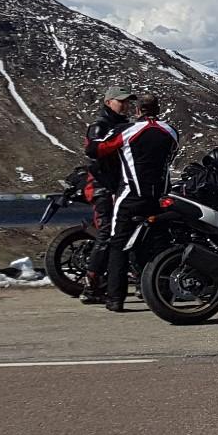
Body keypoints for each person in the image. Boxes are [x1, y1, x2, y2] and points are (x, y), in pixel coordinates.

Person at [99, 94, 177, 312]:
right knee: (159, 245)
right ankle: (163, 293)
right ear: (158, 109)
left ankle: (115, 298)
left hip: (130, 195)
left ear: (137, 110)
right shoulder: (170, 131)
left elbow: (97, 150)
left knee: (118, 244)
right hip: (159, 197)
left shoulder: (127, 130)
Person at [79, 84, 133, 303]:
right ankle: (90, 287)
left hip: (118, 187)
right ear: (108, 102)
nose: (125, 105)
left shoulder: (121, 125)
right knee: (107, 235)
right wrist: (110, 188)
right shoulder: (100, 126)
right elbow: (94, 154)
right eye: (121, 101)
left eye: (127, 102)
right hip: (102, 188)